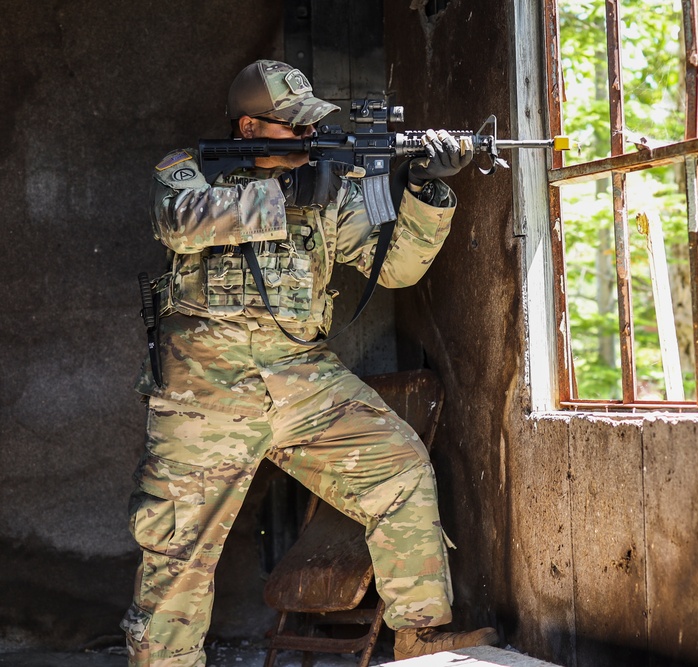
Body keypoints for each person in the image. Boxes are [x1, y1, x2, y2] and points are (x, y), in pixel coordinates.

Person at [120, 59, 498, 666]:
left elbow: (395, 266)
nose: (308, 140)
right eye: (293, 129)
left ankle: (421, 638)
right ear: (247, 128)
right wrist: (287, 192)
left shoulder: (328, 185)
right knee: (178, 551)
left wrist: (427, 189)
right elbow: (179, 223)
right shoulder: (185, 171)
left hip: (301, 375)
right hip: (203, 391)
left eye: (310, 127)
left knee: (400, 467)